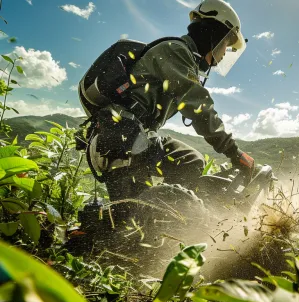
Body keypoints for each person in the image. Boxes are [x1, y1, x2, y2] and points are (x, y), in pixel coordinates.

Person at [77, 0, 255, 206]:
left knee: (189, 161)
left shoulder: (184, 57)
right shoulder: (175, 51)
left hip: (138, 137)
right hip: (121, 138)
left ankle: (178, 216)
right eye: (226, 44)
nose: (224, 53)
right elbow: (199, 108)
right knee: (133, 217)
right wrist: (234, 152)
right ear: (213, 34)